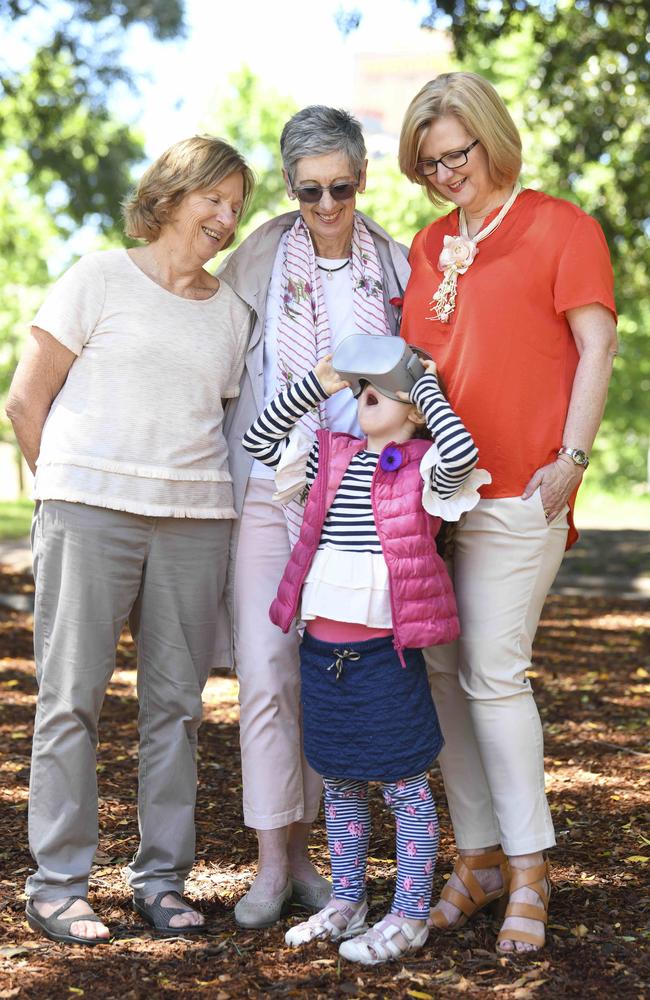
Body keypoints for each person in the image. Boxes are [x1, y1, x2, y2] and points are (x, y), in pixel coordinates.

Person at [5, 136, 254, 944]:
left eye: (236, 206)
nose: (224, 217)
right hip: (89, 513)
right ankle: (57, 884)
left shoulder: (232, 312)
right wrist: (69, 492)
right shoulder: (98, 278)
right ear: (171, 195)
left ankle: (160, 879)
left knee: (176, 709)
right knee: (70, 701)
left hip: (194, 521)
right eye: (212, 198)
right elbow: (24, 400)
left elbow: (215, 416)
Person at [398, 71, 618, 952]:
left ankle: (531, 865)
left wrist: (571, 459)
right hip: (434, 496)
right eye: (431, 162)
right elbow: (418, 366)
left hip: (524, 486)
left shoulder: (562, 226)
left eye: (461, 152)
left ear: (493, 135)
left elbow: (597, 344)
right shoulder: (426, 244)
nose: (449, 172)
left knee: (493, 670)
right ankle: (479, 856)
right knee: (444, 676)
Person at [219, 106, 411, 928]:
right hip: (275, 483)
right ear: (291, 187)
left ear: (362, 177)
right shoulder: (259, 252)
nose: (326, 206)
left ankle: (343, 868)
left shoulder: (399, 266)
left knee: (350, 672)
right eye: (309, 192)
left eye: (340, 187)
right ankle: (276, 861)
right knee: (265, 670)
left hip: (366, 499)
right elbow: (214, 349)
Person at [241, 333, 489, 964]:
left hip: (385, 654)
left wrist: (423, 385)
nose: (365, 394)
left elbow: (462, 451)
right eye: (362, 389)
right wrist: (322, 382)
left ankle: (410, 914)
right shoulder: (331, 455)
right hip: (322, 654)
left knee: (404, 786)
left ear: (414, 411)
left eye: (384, 391)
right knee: (343, 781)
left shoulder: (427, 465)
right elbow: (256, 440)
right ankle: (348, 897)